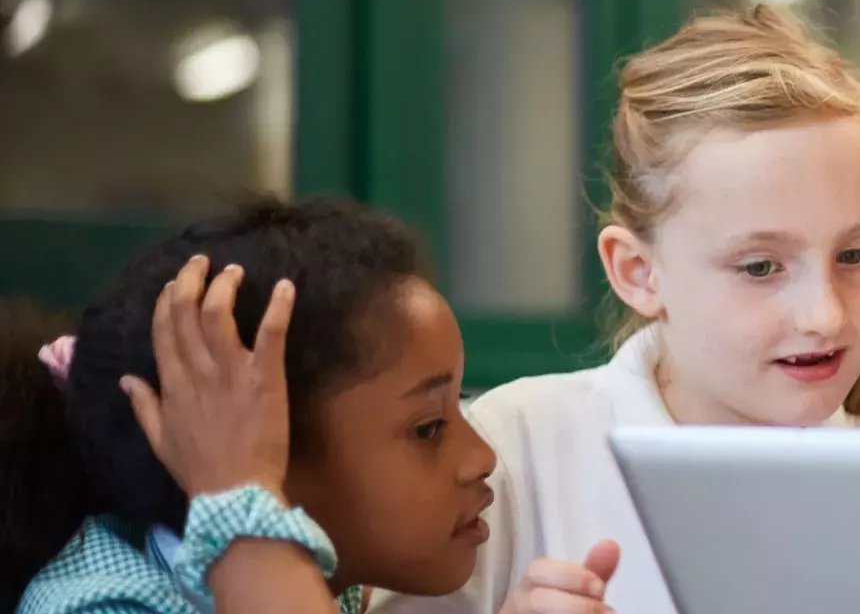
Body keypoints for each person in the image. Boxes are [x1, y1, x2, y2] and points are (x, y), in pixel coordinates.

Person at [371, 5, 860, 614]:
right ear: (638, 272)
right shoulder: (510, 456)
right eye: (760, 266)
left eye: (856, 255)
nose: (825, 316)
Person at [0, 198, 506, 613]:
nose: (483, 457)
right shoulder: (99, 607)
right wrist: (240, 496)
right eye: (428, 427)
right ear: (259, 448)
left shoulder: (330, 581)